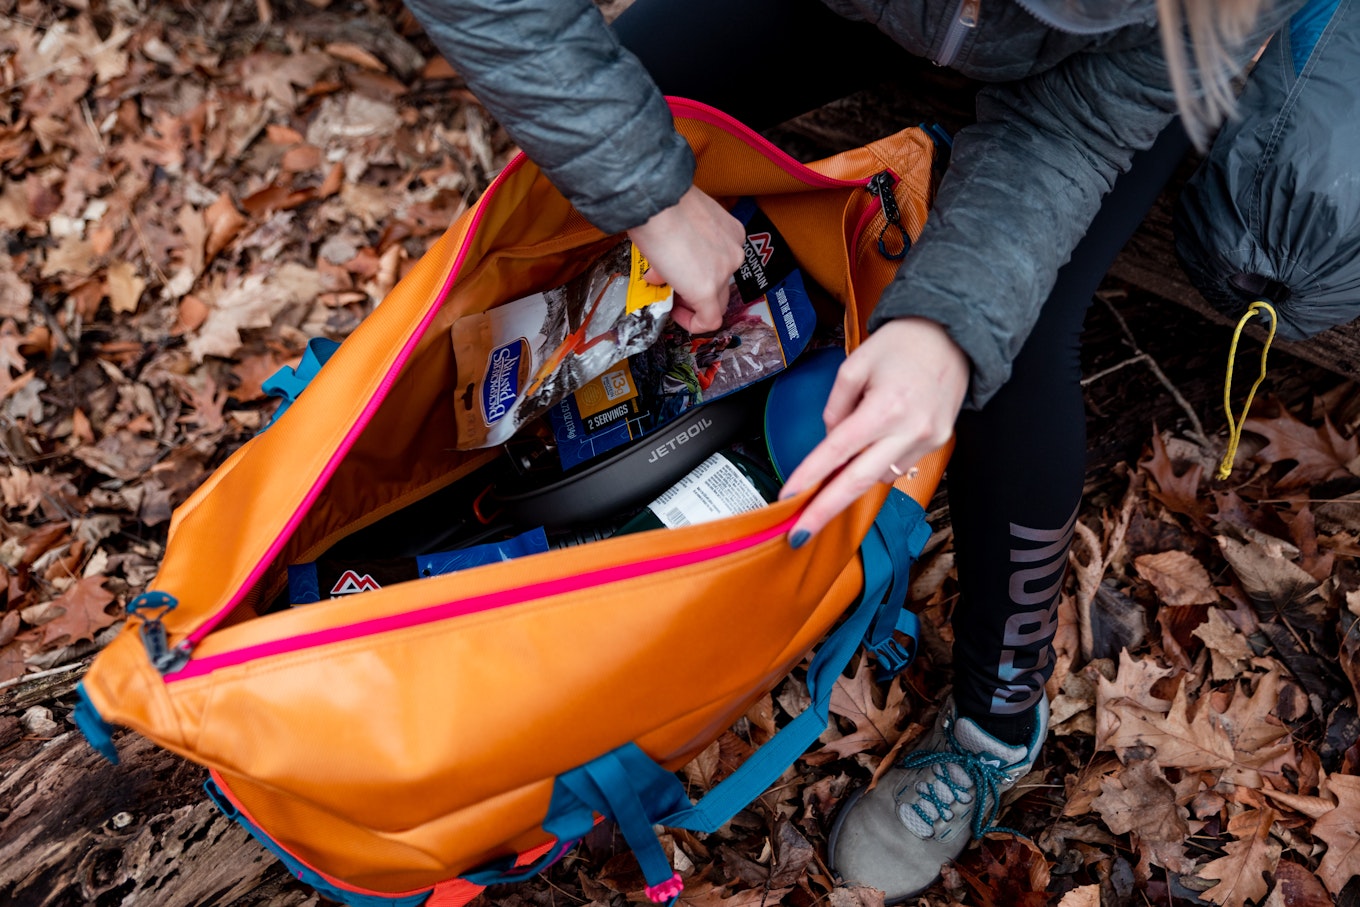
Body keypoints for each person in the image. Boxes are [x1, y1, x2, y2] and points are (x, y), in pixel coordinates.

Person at [401, 0, 1291, 899]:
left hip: (1093, 74)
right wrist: (651, 191)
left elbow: (1078, 125)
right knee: (605, 114)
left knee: (1022, 344)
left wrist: (946, 326)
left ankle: (996, 721)